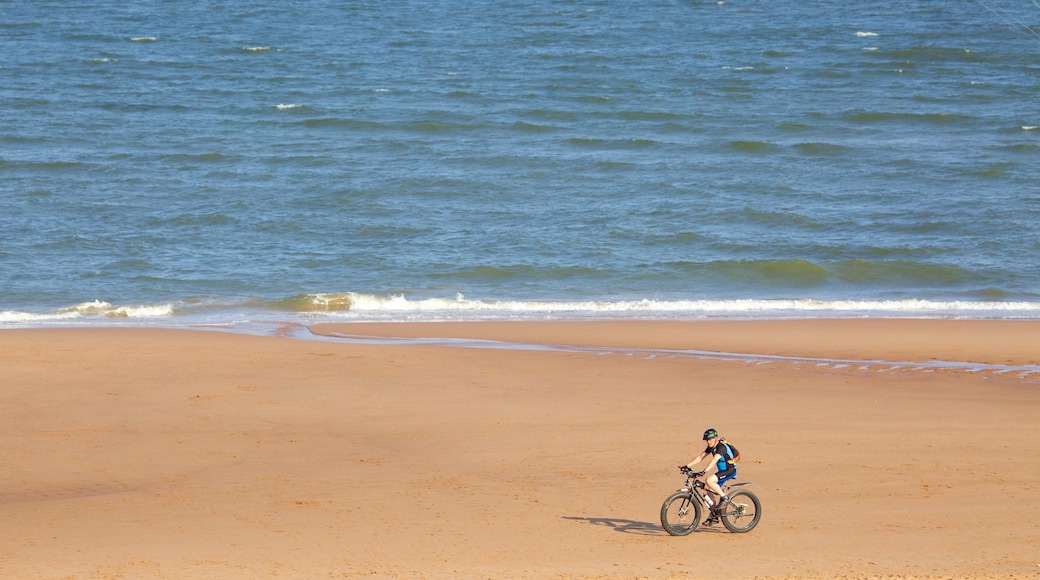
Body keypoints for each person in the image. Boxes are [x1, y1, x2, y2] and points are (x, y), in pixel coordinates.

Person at [684, 428, 737, 511]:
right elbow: (700, 457)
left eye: (709, 440)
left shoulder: (721, 447)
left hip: (730, 471)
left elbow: (714, 460)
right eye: (706, 440)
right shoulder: (711, 447)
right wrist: (687, 466)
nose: (708, 442)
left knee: (709, 480)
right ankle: (714, 516)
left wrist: (704, 471)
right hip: (722, 472)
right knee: (709, 494)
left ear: (715, 438)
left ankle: (725, 498)